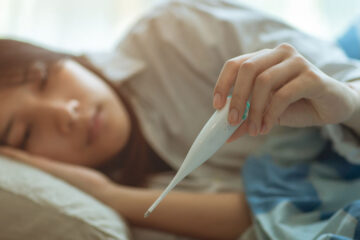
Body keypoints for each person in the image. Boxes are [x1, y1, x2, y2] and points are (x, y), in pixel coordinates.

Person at [1, 0, 360, 239]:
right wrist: (108, 195)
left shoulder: (177, 31)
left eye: (44, 77)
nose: (65, 113)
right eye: (26, 131)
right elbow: (261, 219)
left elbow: (344, 77)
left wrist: (343, 99)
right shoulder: (95, 212)